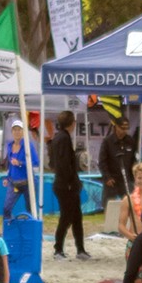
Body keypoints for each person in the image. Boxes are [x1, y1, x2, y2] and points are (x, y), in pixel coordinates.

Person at [50, 110, 90, 260]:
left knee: (77, 216)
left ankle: (80, 249)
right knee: (66, 217)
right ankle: (58, 249)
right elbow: (63, 164)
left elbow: (54, 162)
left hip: (67, 183)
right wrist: (69, 182)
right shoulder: (63, 139)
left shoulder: (59, 137)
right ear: (72, 123)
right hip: (65, 185)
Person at [2, 119, 39, 219]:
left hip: (28, 182)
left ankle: (30, 229)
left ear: (23, 132)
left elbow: (36, 162)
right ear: (12, 131)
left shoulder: (28, 145)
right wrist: (6, 177)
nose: (17, 132)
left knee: (30, 209)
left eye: (19, 130)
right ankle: (10, 227)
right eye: (15, 130)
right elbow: (9, 163)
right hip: (13, 182)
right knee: (6, 208)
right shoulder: (9, 146)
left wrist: (20, 163)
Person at [97, 116, 137, 203]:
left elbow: (133, 159)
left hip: (126, 179)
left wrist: (133, 176)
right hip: (112, 179)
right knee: (109, 205)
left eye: (127, 128)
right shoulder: (107, 141)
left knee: (131, 203)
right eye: (122, 128)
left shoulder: (130, 141)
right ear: (116, 127)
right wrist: (107, 177)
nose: (124, 131)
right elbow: (102, 162)